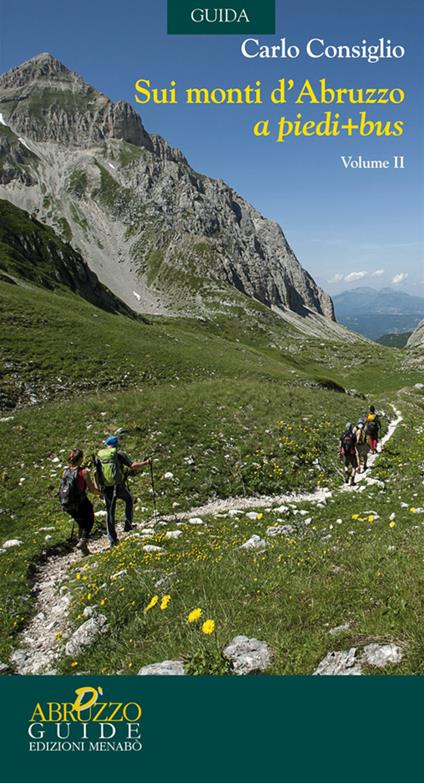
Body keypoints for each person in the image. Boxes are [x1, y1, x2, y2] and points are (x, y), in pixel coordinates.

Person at [96, 436, 151, 547]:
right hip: (118, 486)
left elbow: (95, 473)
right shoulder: (118, 454)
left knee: (110, 513)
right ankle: (128, 525)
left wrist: (98, 490)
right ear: (117, 444)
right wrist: (146, 463)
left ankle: (112, 540)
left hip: (107, 488)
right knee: (129, 499)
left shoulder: (99, 456)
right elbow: (133, 466)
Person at [60, 448, 100, 556]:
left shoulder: (65, 471)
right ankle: (83, 541)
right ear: (81, 458)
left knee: (81, 523)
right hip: (81, 501)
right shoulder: (83, 472)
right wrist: (100, 493)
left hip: (67, 503)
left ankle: (84, 550)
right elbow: (91, 489)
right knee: (90, 520)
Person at [339, 422, 358, 486]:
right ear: (351, 427)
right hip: (352, 453)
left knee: (345, 465)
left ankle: (347, 473)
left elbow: (340, 444)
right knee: (354, 466)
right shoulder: (353, 435)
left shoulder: (343, 435)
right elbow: (355, 444)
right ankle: (352, 479)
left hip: (345, 453)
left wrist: (340, 452)